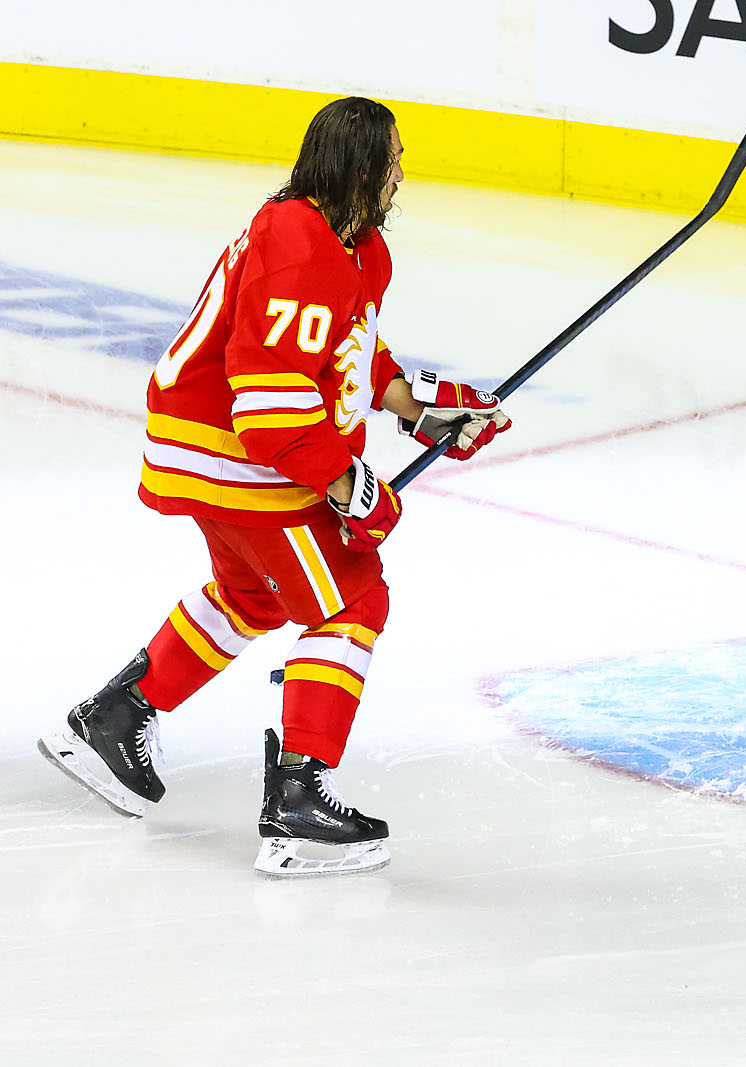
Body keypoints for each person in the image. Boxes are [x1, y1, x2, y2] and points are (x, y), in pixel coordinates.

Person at [38, 96, 510, 877]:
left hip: (213, 451)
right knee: (352, 595)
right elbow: (271, 412)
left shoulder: (348, 245)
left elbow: (347, 353)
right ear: (362, 169)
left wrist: (421, 410)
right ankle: (298, 801)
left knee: (255, 592)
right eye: (392, 159)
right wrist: (352, 488)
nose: (401, 173)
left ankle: (115, 717)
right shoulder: (299, 244)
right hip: (234, 454)